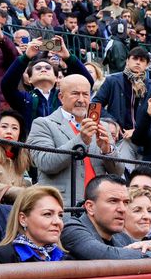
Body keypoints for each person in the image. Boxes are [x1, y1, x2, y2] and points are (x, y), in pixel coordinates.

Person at [29, 74, 120, 207]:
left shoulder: (102, 126)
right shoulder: (43, 124)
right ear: (61, 97)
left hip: (98, 208)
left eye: (86, 94)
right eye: (75, 94)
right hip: (61, 207)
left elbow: (117, 173)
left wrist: (107, 151)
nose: (81, 100)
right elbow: (45, 163)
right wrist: (80, 140)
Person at [60, 174, 151, 260]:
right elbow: (106, 255)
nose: (122, 209)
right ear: (90, 207)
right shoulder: (71, 229)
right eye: (113, 201)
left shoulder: (120, 237)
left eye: (126, 202)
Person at [0, 185, 66, 263]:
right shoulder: (0, 258)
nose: (57, 222)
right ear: (23, 219)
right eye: (47, 214)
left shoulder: (67, 258)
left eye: (60, 215)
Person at [92, 46, 151, 132]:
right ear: (127, 61)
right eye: (135, 58)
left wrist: (137, 132)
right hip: (117, 135)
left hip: (141, 139)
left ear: (147, 65)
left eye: (142, 60)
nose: (138, 62)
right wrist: (111, 122)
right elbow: (94, 104)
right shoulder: (112, 81)